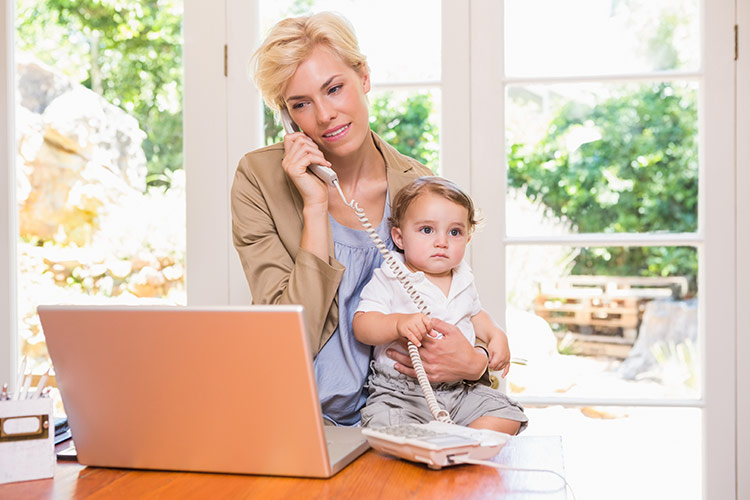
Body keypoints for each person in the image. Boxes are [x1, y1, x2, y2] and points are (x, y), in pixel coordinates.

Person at [231, 12, 494, 426]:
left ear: (364, 77)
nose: (324, 116)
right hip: (299, 416)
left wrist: (477, 363)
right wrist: (315, 207)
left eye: (334, 89)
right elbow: (286, 337)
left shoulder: (417, 183)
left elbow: (455, 304)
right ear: (288, 117)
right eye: (301, 104)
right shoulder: (258, 179)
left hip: (407, 411)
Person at [353, 177, 527, 434]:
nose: (442, 242)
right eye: (427, 230)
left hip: (457, 390)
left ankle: (457, 444)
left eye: (455, 232)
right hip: (401, 392)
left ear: (467, 239)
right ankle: (432, 443)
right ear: (399, 238)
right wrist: (397, 323)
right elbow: (362, 324)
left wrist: (495, 335)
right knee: (388, 428)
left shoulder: (462, 277)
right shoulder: (391, 275)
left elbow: (476, 314)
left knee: (507, 415)